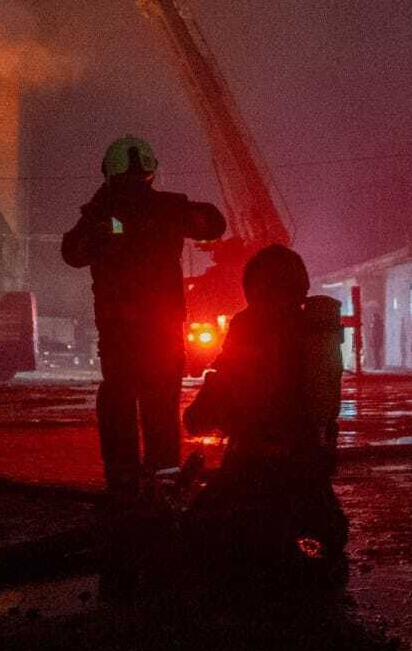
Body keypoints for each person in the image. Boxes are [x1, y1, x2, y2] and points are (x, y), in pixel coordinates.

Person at [61, 135, 226, 496]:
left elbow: (72, 253)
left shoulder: (100, 214)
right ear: (151, 171)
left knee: (119, 396)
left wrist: (104, 224)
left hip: (120, 328)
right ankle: (163, 475)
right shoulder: (163, 208)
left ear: (108, 171)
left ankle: (123, 478)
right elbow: (214, 223)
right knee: (160, 398)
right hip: (161, 327)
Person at [183, 244, 349, 584]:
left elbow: (225, 381)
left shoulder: (248, 326)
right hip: (308, 466)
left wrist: (199, 414)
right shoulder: (312, 329)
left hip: (252, 463)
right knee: (320, 537)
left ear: (253, 287)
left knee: (200, 530)